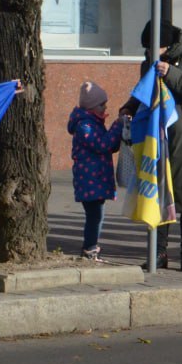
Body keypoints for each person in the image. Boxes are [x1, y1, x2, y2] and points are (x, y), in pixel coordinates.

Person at [122, 20, 182, 273]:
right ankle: (159, 253)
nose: (151, 54)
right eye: (148, 50)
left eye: (156, 49)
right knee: (159, 195)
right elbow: (145, 92)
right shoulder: (148, 61)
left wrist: (172, 73)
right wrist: (130, 107)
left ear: (168, 44)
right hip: (158, 138)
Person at [68, 81, 125, 262]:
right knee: (95, 216)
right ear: (92, 107)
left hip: (96, 179)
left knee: (96, 215)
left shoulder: (93, 123)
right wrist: (118, 126)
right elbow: (102, 145)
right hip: (90, 180)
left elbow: (109, 146)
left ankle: (90, 247)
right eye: (102, 104)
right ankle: (90, 249)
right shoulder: (85, 126)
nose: (105, 107)